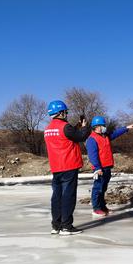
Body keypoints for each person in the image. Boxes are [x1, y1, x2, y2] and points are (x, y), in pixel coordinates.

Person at [44, 100, 91, 235]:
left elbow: (68, 135)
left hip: (56, 167)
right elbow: (80, 136)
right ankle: (66, 226)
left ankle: (56, 225)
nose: (66, 114)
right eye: (65, 112)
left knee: (56, 196)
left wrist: (77, 127)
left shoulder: (47, 129)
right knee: (68, 196)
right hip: (69, 166)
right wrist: (85, 127)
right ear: (61, 112)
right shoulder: (65, 127)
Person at [86, 116, 133, 217]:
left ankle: (103, 207)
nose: (103, 127)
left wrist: (126, 128)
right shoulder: (92, 139)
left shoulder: (105, 136)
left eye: (103, 126)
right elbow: (92, 155)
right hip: (100, 169)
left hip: (107, 167)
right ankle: (96, 209)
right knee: (98, 188)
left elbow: (115, 133)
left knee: (103, 188)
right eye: (101, 126)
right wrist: (97, 168)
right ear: (95, 127)